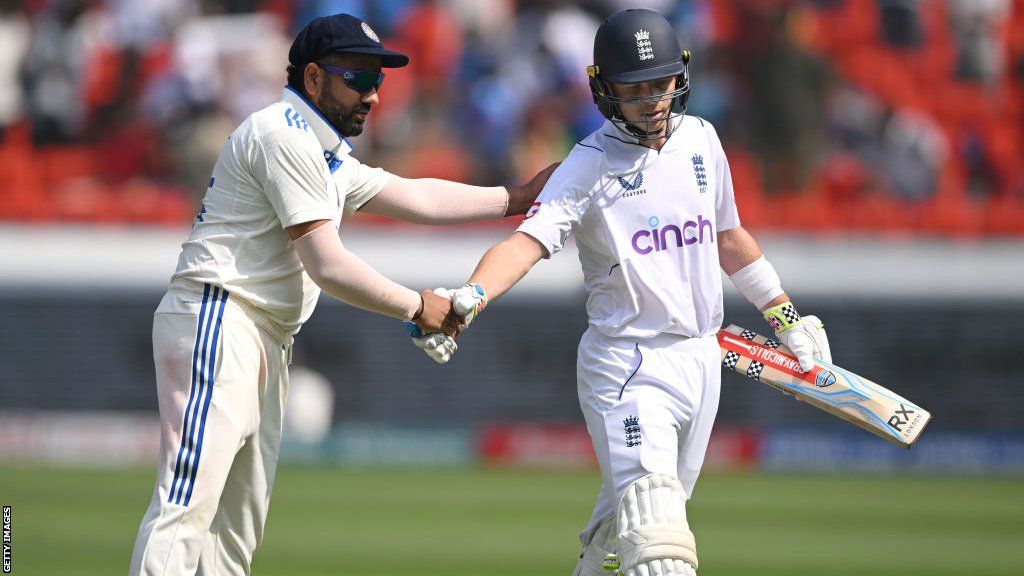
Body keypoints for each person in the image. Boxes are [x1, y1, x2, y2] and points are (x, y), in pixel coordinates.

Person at [129, 13, 555, 576]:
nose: (374, 95)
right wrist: (416, 306)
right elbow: (327, 264)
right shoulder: (283, 134)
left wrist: (517, 196)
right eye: (357, 77)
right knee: (187, 509)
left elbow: (415, 195)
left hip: (263, 333)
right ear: (312, 78)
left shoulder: (323, 152)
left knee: (234, 537)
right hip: (220, 316)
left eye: (378, 79)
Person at [435, 9, 831, 576]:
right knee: (659, 544)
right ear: (604, 88)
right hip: (628, 365)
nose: (651, 100)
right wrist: (472, 295)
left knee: (617, 542)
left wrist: (786, 316)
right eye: (634, 87)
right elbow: (526, 243)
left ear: (682, 76)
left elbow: (728, 237)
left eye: (661, 83)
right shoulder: (586, 165)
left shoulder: (701, 139)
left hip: (702, 359)